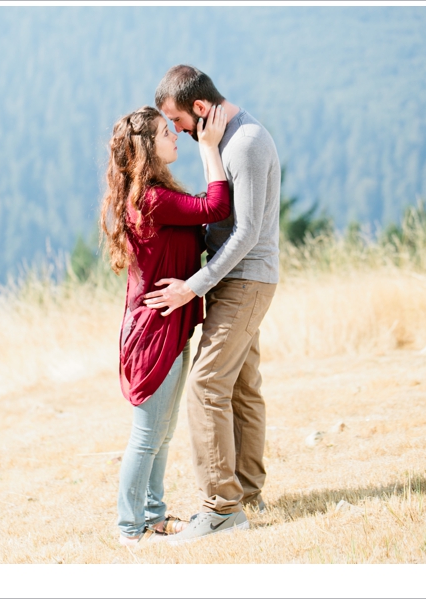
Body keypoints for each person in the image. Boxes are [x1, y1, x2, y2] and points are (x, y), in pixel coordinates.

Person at [143, 65, 280, 543]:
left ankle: (221, 509)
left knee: (206, 386)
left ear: (199, 109)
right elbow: (216, 212)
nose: (176, 131)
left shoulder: (245, 143)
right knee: (242, 386)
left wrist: (192, 286)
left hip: (245, 281)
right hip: (236, 281)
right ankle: (247, 492)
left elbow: (245, 233)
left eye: (177, 121)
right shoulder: (220, 141)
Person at [100, 105, 231, 546]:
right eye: (165, 132)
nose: (176, 134)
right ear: (146, 150)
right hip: (154, 333)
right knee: (147, 435)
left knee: (162, 431)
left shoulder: (151, 194)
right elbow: (215, 205)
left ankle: (153, 516)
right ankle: (129, 529)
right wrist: (209, 148)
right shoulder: (153, 198)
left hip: (165, 326)